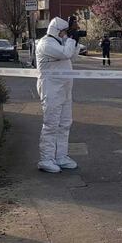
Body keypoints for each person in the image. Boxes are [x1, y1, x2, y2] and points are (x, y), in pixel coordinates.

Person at [35, 16, 84, 173]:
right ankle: (46, 158)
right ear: (56, 31)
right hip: (51, 89)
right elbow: (65, 54)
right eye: (63, 32)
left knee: (65, 123)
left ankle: (61, 156)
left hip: (64, 88)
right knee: (51, 124)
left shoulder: (58, 42)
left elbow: (72, 56)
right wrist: (71, 39)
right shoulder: (46, 44)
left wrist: (74, 41)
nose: (64, 34)